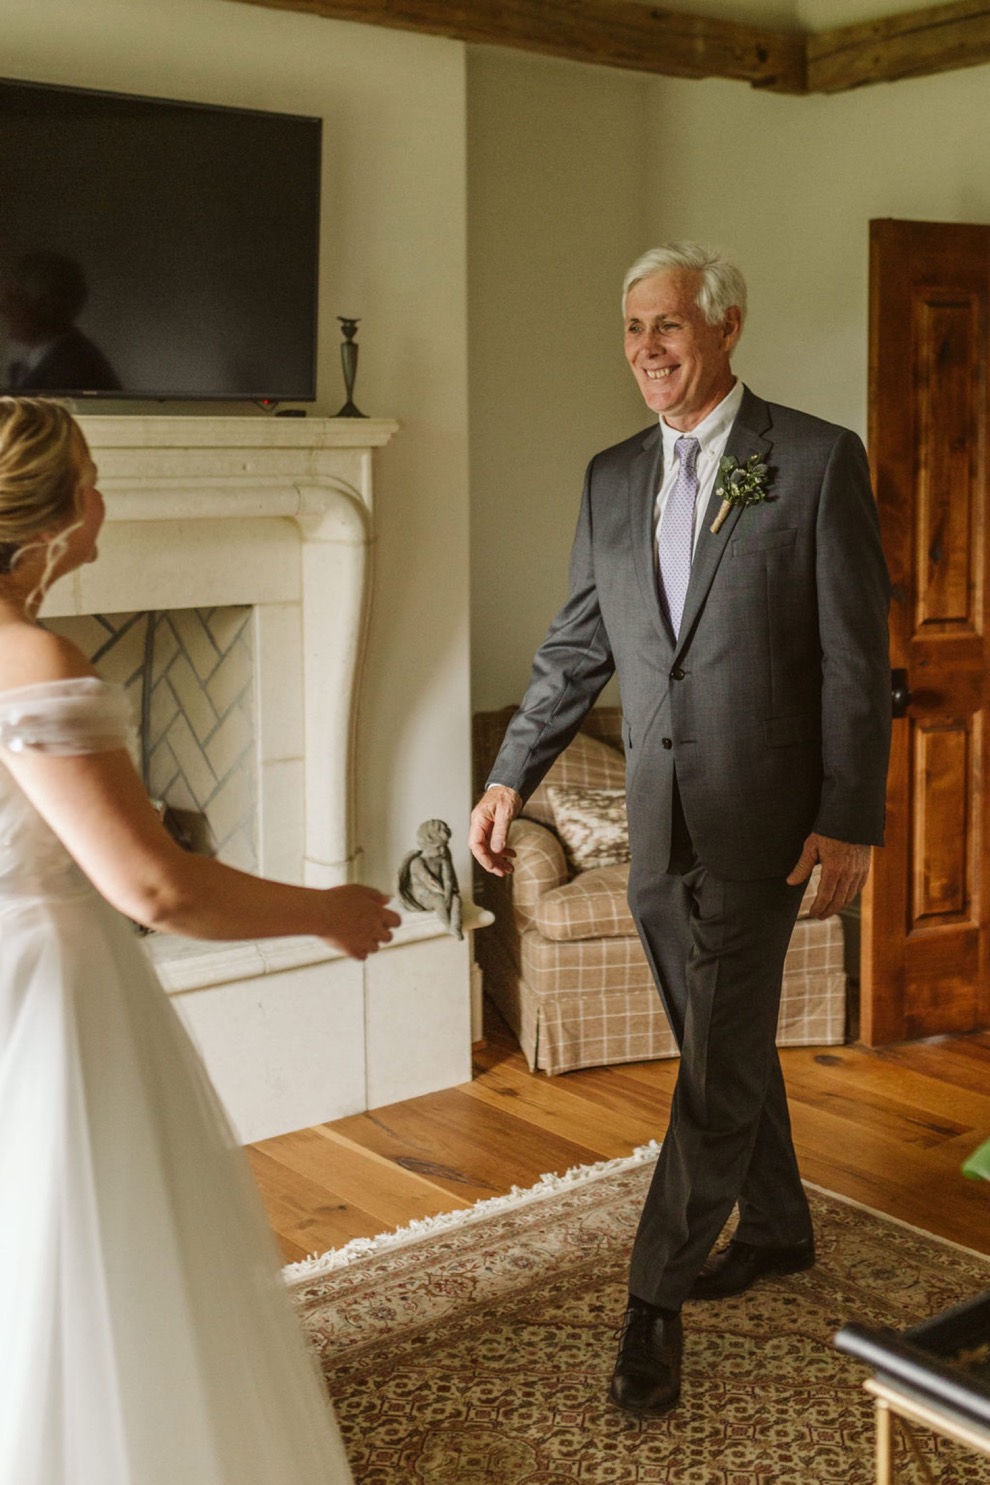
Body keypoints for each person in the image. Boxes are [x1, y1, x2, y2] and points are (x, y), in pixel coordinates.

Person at [469, 243, 890, 1417]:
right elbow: (576, 646)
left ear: (727, 328)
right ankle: (785, 1227)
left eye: (668, 326)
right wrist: (511, 778)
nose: (647, 349)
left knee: (709, 1069)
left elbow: (859, 662)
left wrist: (850, 818)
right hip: (657, 831)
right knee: (725, 1041)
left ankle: (651, 1307)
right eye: (632, 329)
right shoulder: (611, 477)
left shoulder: (811, 461)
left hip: (768, 825)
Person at [0, 397, 401, 1482]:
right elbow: (156, 887)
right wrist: (330, 910)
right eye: (89, 477)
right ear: (48, 521)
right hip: (46, 994)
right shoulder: (30, 657)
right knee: (87, 1243)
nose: (103, 499)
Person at [1, 252, 121, 392]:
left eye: (15, 299)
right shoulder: (54, 361)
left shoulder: (75, 370)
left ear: (48, 304)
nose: (4, 310)